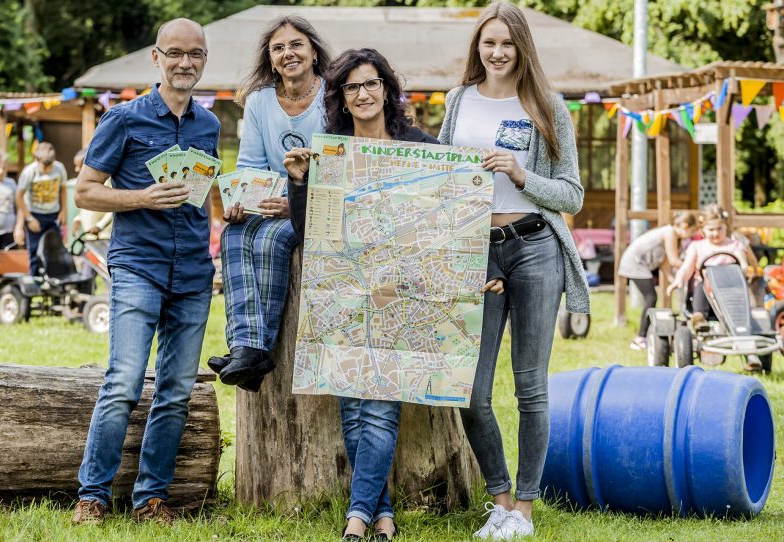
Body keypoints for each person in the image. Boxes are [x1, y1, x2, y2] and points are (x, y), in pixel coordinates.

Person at [437, 3, 588, 538]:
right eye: (488, 43)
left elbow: (571, 192)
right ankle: (498, 499)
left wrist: (523, 175)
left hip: (535, 248)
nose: (497, 53)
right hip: (476, 253)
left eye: (507, 43)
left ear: (523, 47)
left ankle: (523, 511)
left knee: (530, 388)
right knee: (470, 391)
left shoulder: (547, 106)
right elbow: (441, 177)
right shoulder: (458, 101)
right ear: (477, 47)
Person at [285, 47, 438, 542]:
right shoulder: (330, 151)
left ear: (387, 90)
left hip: (399, 295)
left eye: (371, 83)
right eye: (352, 87)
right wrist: (298, 182)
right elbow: (310, 231)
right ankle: (382, 513)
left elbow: (442, 224)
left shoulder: (421, 146)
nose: (363, 93)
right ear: (342, 98)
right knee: (353, 405)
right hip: (346, 291)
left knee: (378, 403)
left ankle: (357, 517)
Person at [71, 18, 219, 526]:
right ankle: (91, 495)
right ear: (156, 57)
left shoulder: (209, 125)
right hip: (138, 265)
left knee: (176, 391)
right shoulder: (124, 118)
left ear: (204, 60)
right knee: (124, 381)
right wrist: (141, 197)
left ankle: (149, 499)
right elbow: (86, 190)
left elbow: (203, 195)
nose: (185, 63)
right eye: (174, 53)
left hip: (195, 271)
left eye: (194, 54)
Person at [207, 15, 331, 391]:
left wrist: (294, 200)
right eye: (278, 48)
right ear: (270, 58)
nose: (287, 53)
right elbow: (250, 166)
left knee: (271, 241)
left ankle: (255, 349)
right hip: (271, 202)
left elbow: (340, 164)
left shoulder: (333, 95)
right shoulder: (260, 101)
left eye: (295, 45)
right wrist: (241, 202)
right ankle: (246, 346)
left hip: (317, 204)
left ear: (312, 51)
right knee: (233, 235)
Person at [666, 205, 755, 333]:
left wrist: (745, 269)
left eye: (719, 229)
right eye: (711, 229)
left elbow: (742, 262)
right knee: (703, 284)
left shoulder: (734, 245)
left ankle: (743, 323)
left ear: (726, 227)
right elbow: (686, 268)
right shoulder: (697, 246)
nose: (715, 233)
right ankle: (699, 317)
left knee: (740, 289)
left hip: (730, 288)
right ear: (703, 230)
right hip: (705, 290)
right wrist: (678, 280)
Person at [618, 212, 698, 350]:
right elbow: (674, 261)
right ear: (685, 226)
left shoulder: (676, 237)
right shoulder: (670, 233)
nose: (692, 235)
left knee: (651, 298)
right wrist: (695, 265)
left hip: (642, 265)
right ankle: (640, 338)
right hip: (635, 263)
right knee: (651, 298)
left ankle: (645, 335)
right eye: (693, 230)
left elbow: (665, 264)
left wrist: (673, 280)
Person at [15, 141, 67, 276]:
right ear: (36, 159)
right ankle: (35, 280)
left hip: (53, 214)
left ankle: (54, 279)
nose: (48, 169)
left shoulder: (59, 169)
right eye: (45, 166)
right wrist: (29, 218)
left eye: (50, 166)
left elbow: (63, 189)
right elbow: (19, 196)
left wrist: (63, 211)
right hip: (35, 215)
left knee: (54, 249)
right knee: (35, 250)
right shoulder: (29, 172)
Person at [71, 149, 113, 240]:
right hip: (90, 237)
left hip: (104, 236)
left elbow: (113, 209)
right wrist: (78, 219)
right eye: (75, 166)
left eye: (79, 166)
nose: (76, 169)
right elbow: (86, 207)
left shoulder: (105, 184)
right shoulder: (82, 184)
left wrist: (99, 226)